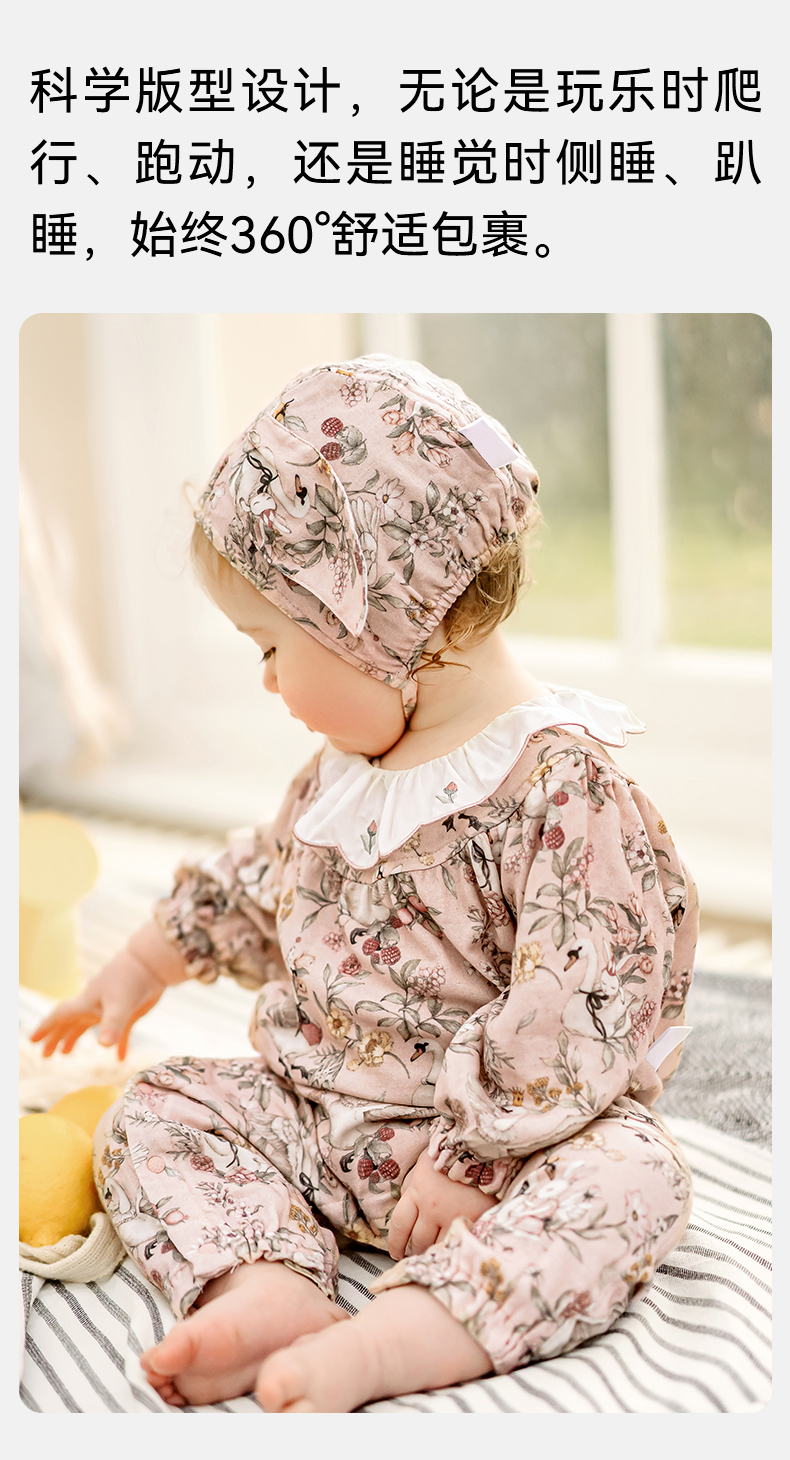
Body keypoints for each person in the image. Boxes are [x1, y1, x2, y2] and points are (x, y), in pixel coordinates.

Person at [32, 355, 698, 1414]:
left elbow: (582, 999)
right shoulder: (342, 775)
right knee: (153, 1108)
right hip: (317, 1119)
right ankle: (267, 1283)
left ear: (384, 626)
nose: (265, 680)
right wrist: (144, 961)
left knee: (636, 1177)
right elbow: (265, 878)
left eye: (269, 646)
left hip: (494, 1154)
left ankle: (412, 1333)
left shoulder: (558, 786)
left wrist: (474, 1156)